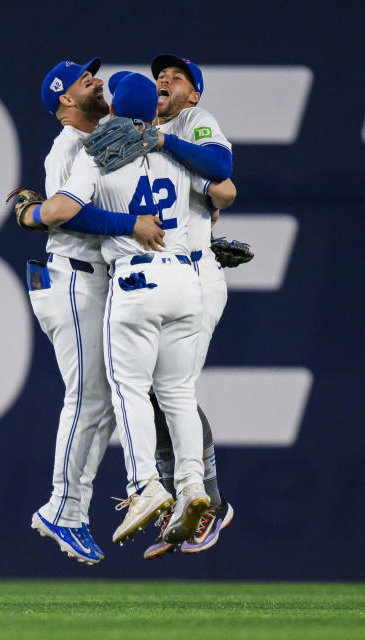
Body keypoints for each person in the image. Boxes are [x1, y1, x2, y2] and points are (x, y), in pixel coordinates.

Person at [33, 72, 237, 546]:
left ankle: (143, 485)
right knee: (178, 393)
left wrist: (32, 212)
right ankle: (191, 488)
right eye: (87, 80)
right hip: (185, 278)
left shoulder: (99, 149)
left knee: (128, 390)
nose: (98, 84)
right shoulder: (176, 148)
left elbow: (60, 211)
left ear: (119, 108)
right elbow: (223, 190)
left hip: (134, 278)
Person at [27, 58, 157, 566]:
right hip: (73, 278)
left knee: (102, 403)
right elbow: (69, 212)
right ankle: (62, 507)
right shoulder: (68, 147)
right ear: (65, 100)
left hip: (92, 280)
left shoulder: (100, 139)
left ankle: (73, 510)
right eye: (86, 80)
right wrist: (131, 225)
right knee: (87, 397)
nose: (98, 81)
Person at [139, 54, 237, 558]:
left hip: (194, 278)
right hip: (152, 281)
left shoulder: (192, 123)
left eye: (177, 78)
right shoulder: (140, 134)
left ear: (193, 94)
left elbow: (224, 177)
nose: (166, 80)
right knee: (153, 393)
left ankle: (207, 504)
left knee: (171, 390)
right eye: (162, 75)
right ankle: (184, 499)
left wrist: (165, 141)